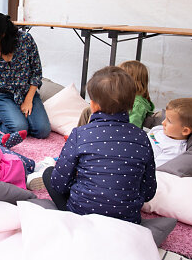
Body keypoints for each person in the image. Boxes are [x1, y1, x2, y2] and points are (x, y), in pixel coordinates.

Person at [42, 66, 157, 224]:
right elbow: (149, 191)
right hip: (127, 220)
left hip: (81, 214)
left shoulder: (80, 133)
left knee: (49, 174)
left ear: (93, 105)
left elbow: (59, 183)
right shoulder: (142, 137)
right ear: (131, 104)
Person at [0, 12, 51, 139]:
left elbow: (36, 72)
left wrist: (28, 100)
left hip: (25, 92)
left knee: (42, 131)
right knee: (20, 129)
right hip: (2, 96)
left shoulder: (25, 40)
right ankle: (2, 121)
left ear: (2, 35)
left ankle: (17, 116)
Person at [77, 60, 154, 129]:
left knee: (91, 114)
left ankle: (86, 135)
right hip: (109, 122)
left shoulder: (138, 105)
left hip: (115, 129)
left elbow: (132, 127)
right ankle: (80, 135)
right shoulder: (124, 96)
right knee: (87, 111)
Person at [148, 98, 192, 167]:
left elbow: (153, 167)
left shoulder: (174, 150)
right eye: (165, 118)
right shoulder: (160, 129)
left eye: (169, 121)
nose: (163, 122)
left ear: (185, 131)